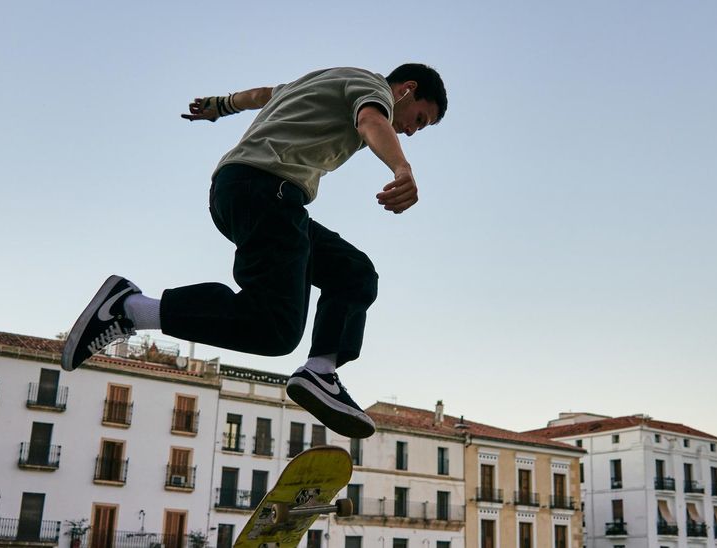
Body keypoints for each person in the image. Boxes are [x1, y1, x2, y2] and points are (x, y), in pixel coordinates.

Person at [62, 64, 447, 439]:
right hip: (267, 190)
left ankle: (321, 370)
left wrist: (221, 104)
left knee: (354, 272)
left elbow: (262, 95)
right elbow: (370, 121)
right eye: (420, 119)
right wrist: (402, 169)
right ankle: (130, 309)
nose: (411, 131)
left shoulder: (321, 82)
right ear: (406, 90)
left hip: (246, 193)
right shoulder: (373, 89)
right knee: (275, 328)